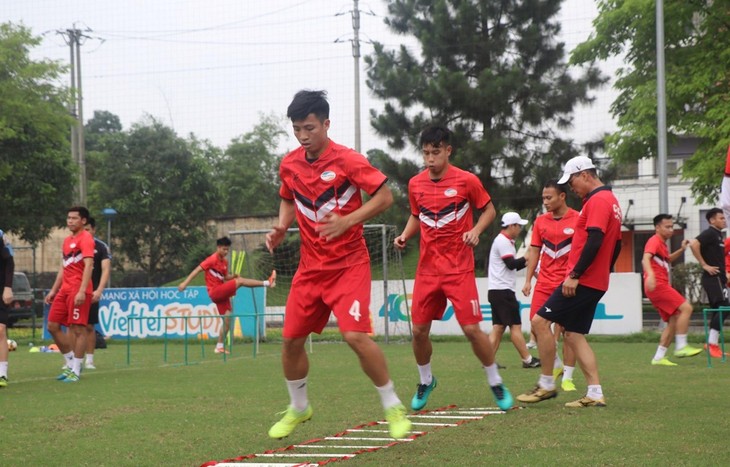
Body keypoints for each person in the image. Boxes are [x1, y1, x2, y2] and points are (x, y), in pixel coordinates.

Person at [265, 90, 411, 440]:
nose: (303, 136)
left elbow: (386, 197)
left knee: (354, 335)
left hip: (349, 264)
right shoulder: (289, 164)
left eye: (309, 128)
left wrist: (348, 221)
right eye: (297, 129)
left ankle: (393, 405)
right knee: (290, 341)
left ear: (326, 124)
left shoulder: (348, 160)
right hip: (310, 268)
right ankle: (299, 407)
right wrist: (282, 227)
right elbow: (288, 198)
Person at [393, 125, 513, 413]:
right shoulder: (415, 184)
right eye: (425, 153)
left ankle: (495, 381)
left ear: (448, 150)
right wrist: (405, 236)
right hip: (427, 270)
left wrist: (476, 230)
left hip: (458, 268)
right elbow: (416, 216)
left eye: (436, 152)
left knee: (472, 329)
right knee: (419, 331)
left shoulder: (467, 180)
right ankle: (426, 380)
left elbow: (489, 210)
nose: (430, 159)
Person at [517, 156, 622, 408]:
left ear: (585, 175)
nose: (571, 187)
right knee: (573, 335)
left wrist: (575, 276)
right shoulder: (611, 201)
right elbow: (616, 244)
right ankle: (595, 393)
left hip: (582, 280)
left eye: (572, 180)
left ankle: (546, 384)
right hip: (595, 280)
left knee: (539, 322)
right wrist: (603, 272)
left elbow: (595, 240)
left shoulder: (597, 200)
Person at [521, 180, 579, 391]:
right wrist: (528, 280)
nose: (545, 202)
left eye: (549, 198)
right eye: (543, 198)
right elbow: (535, 251)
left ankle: (568, 378)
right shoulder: (540, 222)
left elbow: (583, 251)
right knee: (536, 324)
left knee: (569, 333)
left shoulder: (578, 219)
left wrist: (577, 277)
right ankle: (555, 365)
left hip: (566, 284)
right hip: (544, 282)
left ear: (562, 196)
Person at [178, 236, 276, 354]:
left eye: (227, 250)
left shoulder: (224, 262)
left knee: (228, 320)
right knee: (241, 282)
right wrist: (185, 283)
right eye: (224, 249)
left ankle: (219, 347)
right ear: (218, 248)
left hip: (221, 292)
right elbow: (196, 270)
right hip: (215, 291)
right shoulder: (211, 260)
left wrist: (233, 276)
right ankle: (267, 282)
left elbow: (224, 277)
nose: (226, 252)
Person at [643, 214, 703, 366]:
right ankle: (681, 346)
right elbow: (645, 258)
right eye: (667, 227)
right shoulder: (654, 241)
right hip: (658, 285)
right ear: (657, 227)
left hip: (659, 285)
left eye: (672, 227)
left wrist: (682, 249)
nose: (671, 230)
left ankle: (658, 357)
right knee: (686, 308)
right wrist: (650, 275)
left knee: (674, 319)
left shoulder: (661, 244)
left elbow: (667, 259)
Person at [45, 206, 95, 383]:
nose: (70, 221)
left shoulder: (86, 238)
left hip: (78, 290)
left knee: (78, 329)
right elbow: (63, 267)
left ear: (83, 221)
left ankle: (76, 371)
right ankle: (71, 362)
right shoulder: (67, 241)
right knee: (52, 325)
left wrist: (82, 290)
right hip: (65, 290)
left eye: (74, 218)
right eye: (68, 218)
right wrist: (53, 289)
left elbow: (89, 265)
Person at [488, 212, 541, 369]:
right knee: (515, 326)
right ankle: (527, 359)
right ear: (511, 226)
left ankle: (488, 362)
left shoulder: (504, 241)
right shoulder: (503, 241)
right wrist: (527, 256)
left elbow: (512, 264)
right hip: (503, 291)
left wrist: (527, 258)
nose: (520, 229)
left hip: (497, 290)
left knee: (498, 328)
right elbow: (511, 264)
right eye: (519, 226)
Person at [689, 207, 728, 358]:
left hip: (719, 278)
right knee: (724, 307)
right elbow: (694, 244)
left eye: (724, 218)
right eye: (721, 218)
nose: (724, 220)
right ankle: (711, 344)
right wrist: (704, 265)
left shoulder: (718, 236)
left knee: (719, 309)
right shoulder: (710, 233)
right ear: (712, 220)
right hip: (713, 278)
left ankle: (713, 345)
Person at [82, 217, 112, 370]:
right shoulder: (75, 245)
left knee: (89, 326)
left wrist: (99, 289)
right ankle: (72, 360)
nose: (85, 233)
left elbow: (106, 269)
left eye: (87, 229)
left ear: (93, 230)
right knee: (73, 326)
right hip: (75, 291)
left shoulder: (101, 247)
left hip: (91, 292)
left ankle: (89, 360)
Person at [0, 232, 15, 388]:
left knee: (0, 330)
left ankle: (2, 373)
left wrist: (8, 287)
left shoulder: (0, 236)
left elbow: (9, 262)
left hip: (1, 289)